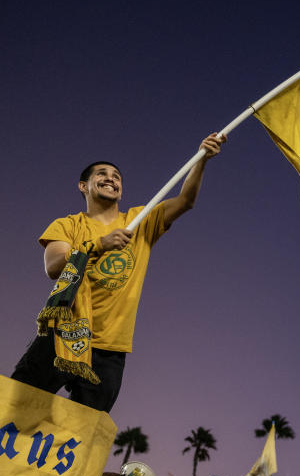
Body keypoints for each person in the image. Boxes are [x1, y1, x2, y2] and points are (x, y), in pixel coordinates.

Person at [11, 134, 226, 412]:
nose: (111, 178)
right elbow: (53, 266)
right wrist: (99, 244)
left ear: (121, 191)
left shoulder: (140, 220)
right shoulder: (69, 224)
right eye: (102, 174)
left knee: (84, 433)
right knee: (16, 410)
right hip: (62, 334)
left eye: (117, 177)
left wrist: (202, 159)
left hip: (110, 349)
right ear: (83, 186)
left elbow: (185, 201)